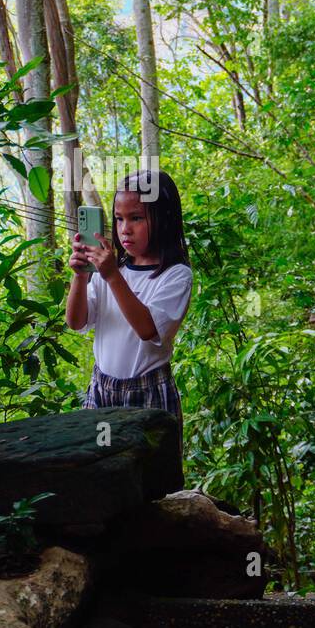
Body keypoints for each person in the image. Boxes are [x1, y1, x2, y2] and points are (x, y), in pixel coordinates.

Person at [65, 170, 193, 436]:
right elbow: (76, 321)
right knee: (100, 468)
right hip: (101, 387)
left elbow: (147, 328)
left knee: (152, 474)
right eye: (119, 218)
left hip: (148, 391)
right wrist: (80, 276)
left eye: (136, 218)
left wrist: (111, 275)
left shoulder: (176, 275)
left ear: (164, 219)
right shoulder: (112, 268)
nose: (125, 229)